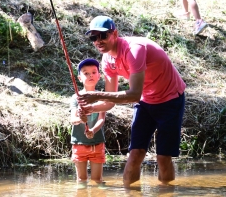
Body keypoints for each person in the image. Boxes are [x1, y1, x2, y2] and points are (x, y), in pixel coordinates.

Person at [77, 16, 186, 187]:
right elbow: (110, 102)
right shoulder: (107, 60)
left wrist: (97, 95)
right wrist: (90, 108)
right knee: (135, 154)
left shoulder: (134, 49)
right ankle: (129, 192)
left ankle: (167, 191)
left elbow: (134, 94)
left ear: (115, 34)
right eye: (93, 37)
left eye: (103, 36)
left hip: (170, 99)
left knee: (163, 157)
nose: (98, 41)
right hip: (146, 101)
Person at [69, 58, 106, 188]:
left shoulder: (102, 96)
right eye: (86, 73)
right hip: (79, 143)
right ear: (79, 78)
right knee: (81, 180)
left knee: (97, 180)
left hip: (97, 143)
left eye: (94, 72)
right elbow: (73, 119)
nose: (90, 75)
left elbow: (102, 119)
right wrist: (81, 119)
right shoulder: (76, 98)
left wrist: (93, 130)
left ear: (99, 76)